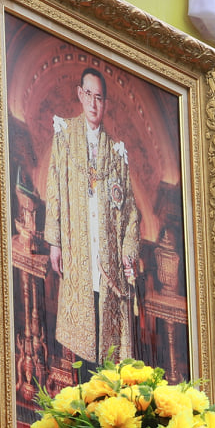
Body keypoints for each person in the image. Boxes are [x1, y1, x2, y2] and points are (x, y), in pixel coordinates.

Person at [46, 66, 140, 364]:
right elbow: (54, 189)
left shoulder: (116, 152)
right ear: (79, 94)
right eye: (88, 95)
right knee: (82, 340)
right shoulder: (64, 136)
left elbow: (130, 212)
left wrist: (128, 253)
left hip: (107, 259)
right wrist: (55, 243)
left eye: (99, 98)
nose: (93, 103)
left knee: (107, 342)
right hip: (78, 250)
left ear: (105, 103)